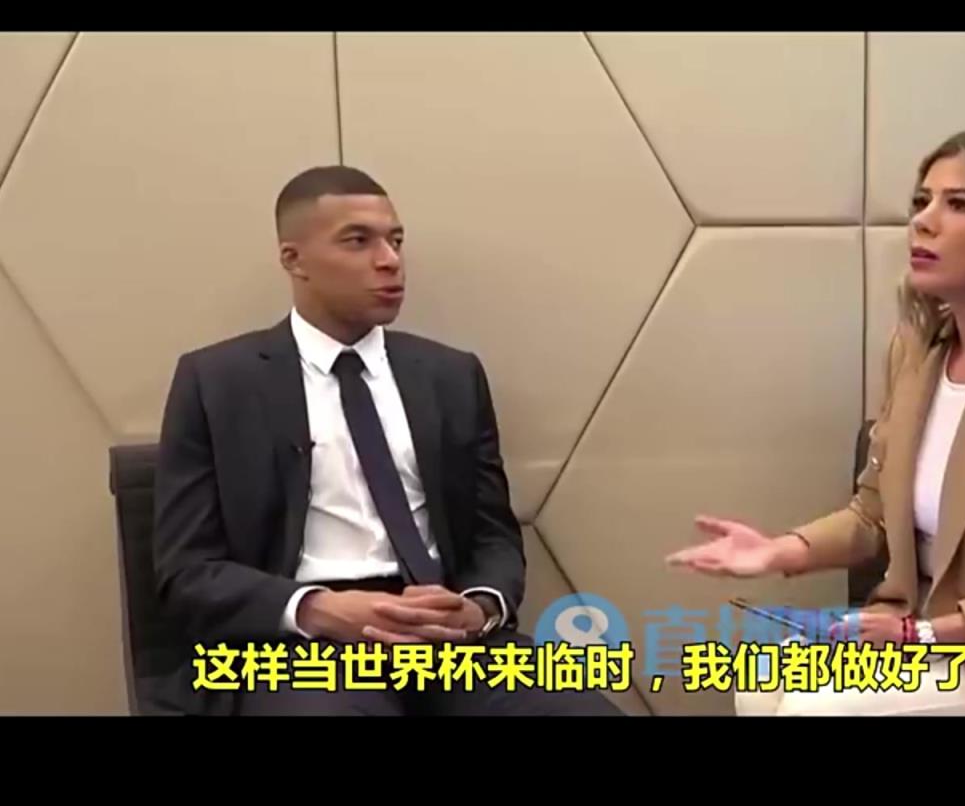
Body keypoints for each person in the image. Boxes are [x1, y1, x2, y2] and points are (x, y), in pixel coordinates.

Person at [667, 130, 965, 715]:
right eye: (922, 201)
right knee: (760, 682)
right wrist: (777, 552)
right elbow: (874, 515)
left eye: (959, 204)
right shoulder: (916, 352)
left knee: (819, 710)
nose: (923, 222)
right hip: (919, 634)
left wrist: (921, 636)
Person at [153, 165, 620, 716]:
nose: (390, 260)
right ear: (293, 259)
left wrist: (478, 608)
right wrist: (318, 609)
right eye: (358, 241)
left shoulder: (450, 376)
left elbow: (493, 536)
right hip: (296, 646)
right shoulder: (216, 382)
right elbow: (187, 571)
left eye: (395, 241)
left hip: (442, 637)